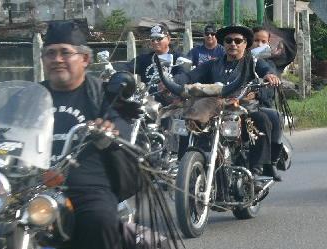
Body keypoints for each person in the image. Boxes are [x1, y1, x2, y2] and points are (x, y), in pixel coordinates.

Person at [40, 21, 135, 249]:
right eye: (50, 53)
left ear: (84, 58)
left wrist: (109, 131)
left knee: (97, 221)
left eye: (65, 52)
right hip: (37, 188)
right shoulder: (36, 97)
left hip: (87, 186)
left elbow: (122, 125)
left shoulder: (100, 96)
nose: (57, 59)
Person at [173, 25, 281, 179]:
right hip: (216, 111)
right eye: (229, 40)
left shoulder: (253, 62)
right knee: (188, 118)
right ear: (223, 44)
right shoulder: (212, 64)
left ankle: (257, 170)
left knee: (261, 120)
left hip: (244, 110)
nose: (233, 44)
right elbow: (189, 77)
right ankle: (183, 164)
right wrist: (173, 82)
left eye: (238, 41)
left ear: (245, 44)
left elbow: (266, 70)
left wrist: (270, 76)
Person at [252, 27, 283, 181]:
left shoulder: (268, 64)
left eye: (263, 41)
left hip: (260, 105)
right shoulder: (242, 59)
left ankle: (270, 162)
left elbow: (270, 82)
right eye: (256, 40)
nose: (259, 44)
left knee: (274, 117)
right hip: (235, 104)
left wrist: (258, 91)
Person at [118, 23, 182, 93]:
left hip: (170, 99)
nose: (155, 42)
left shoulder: (178, 58)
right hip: (147, 100)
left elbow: (183, 76)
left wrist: (171, 82)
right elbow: (126, 67)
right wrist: (111, 70)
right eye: (152, 39)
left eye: (159, 38)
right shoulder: (144, 59)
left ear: (169, 39)